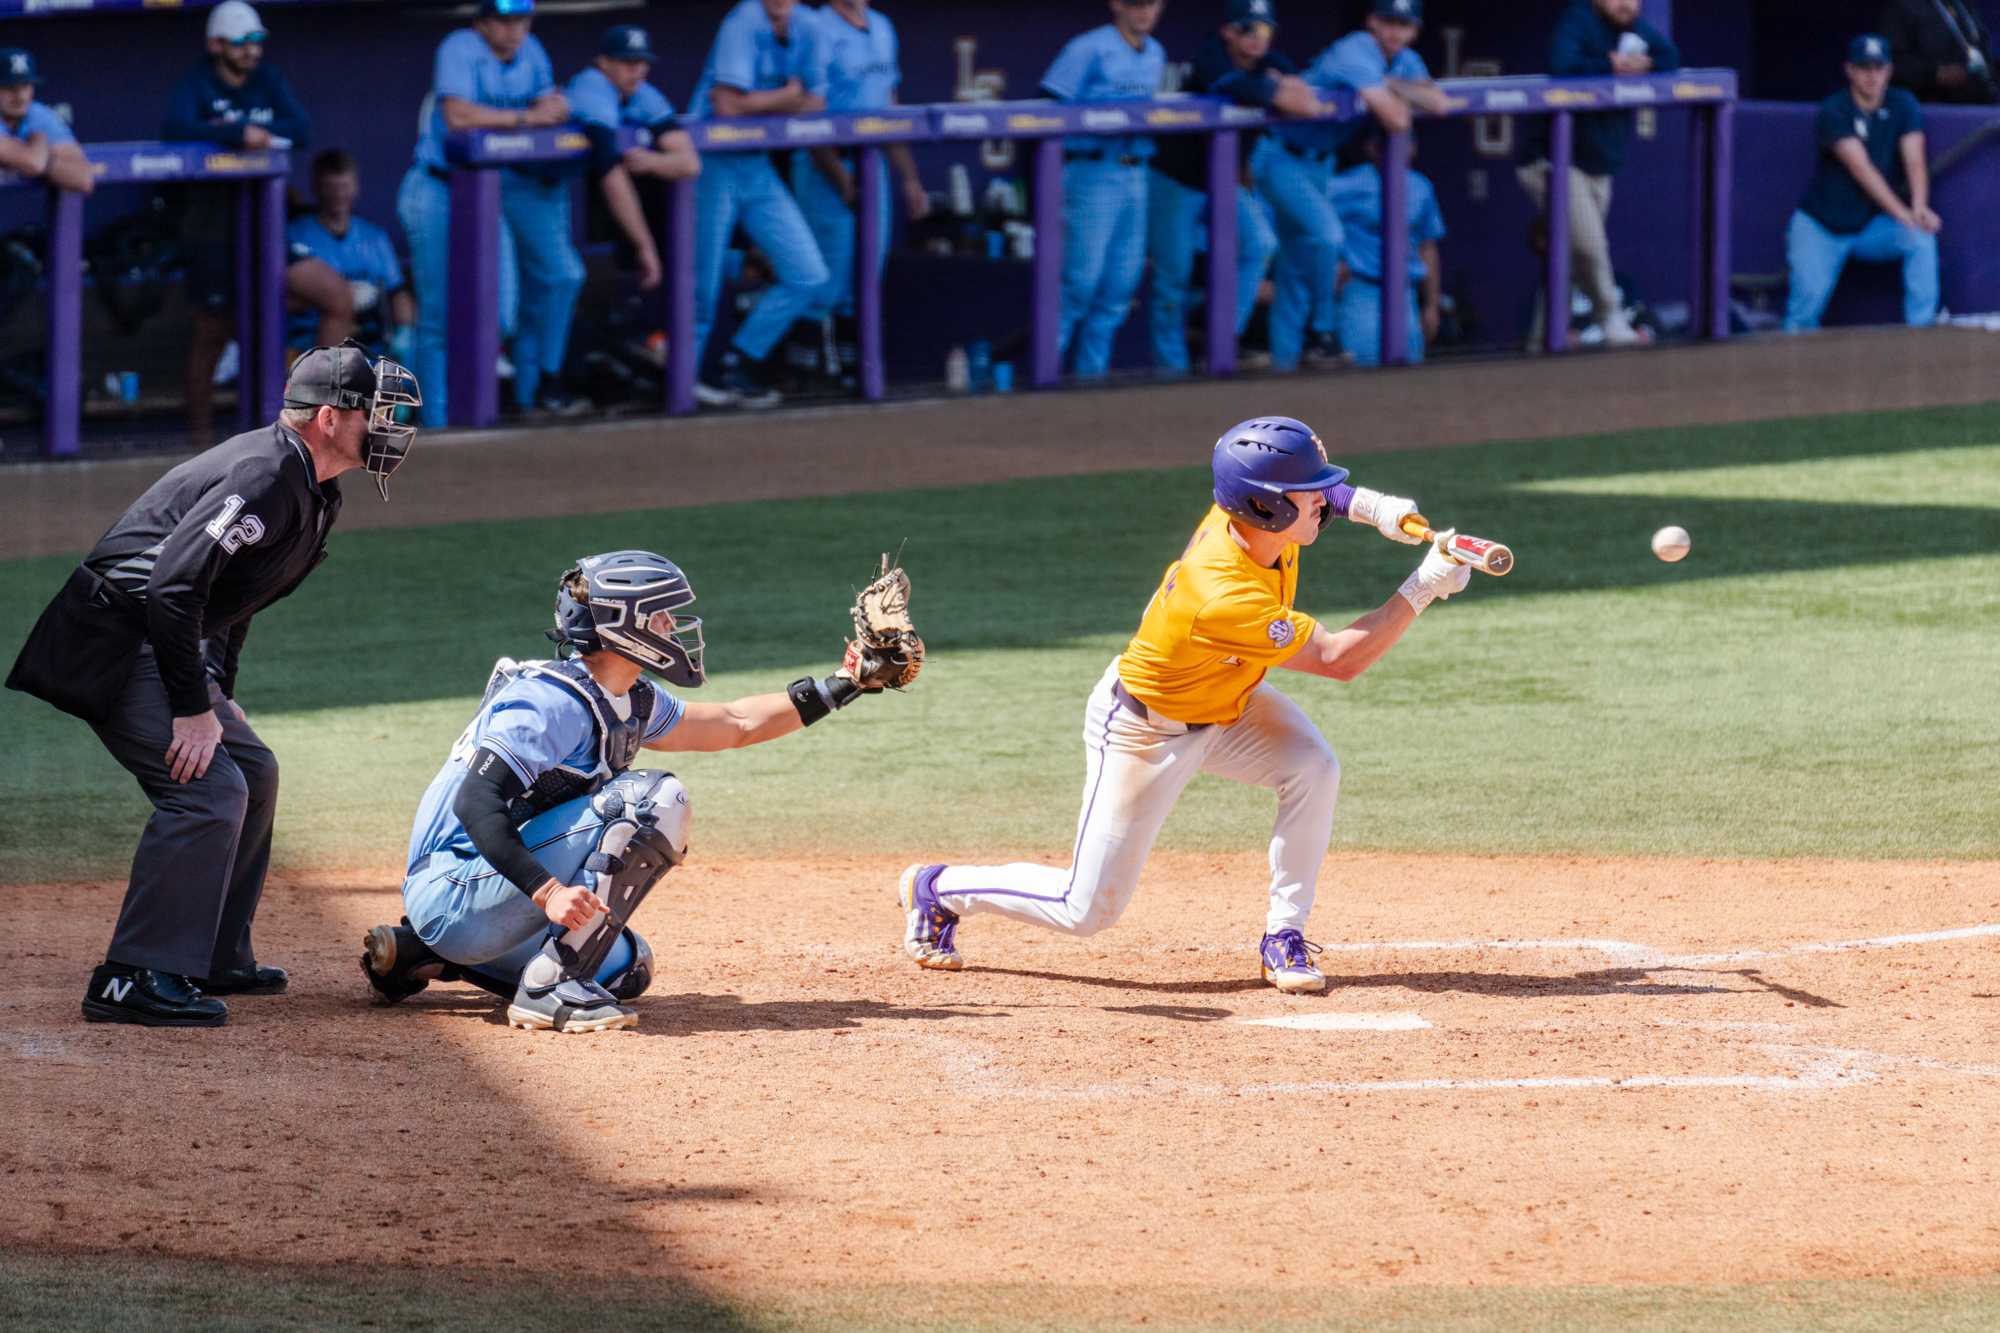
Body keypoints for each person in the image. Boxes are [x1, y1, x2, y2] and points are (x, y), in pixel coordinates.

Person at [897, 417, 1476, 994]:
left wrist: (1375, 508)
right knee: (1086, 909)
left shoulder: (1250, 515)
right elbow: (1338, 659)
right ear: (1269, 507)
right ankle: (939, 889)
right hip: (1146, 731)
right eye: (1309, 492)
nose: (1323, 501)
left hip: (1229, 698)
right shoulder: (1222, 594)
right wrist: (1423, 586)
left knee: (1313, 767)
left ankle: (1285, 934)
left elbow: (1324, 493)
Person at [5, 343, 421, 1028]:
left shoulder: (316, 489)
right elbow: (173, 584)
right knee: (207, 789)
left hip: (159, 636)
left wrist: (217, 690)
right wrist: (193, 707)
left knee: (253, 770)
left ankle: (213, 953)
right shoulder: (264, 475)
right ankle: (131, 974)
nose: (389, 424)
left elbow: (232, 596)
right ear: (327, 417)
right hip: (112, 639)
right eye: (374, 410)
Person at [359, 550, 917, 1032]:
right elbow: (475, 801)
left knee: (626, 968)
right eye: (663, 615)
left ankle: (424, 955)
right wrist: (549, 892)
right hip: (454, 887)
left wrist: (848, 684)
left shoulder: (628, 699)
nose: (675, 626)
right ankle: (549, 987)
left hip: (480, 904)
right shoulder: (549, 703)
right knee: (651, 801)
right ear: (624, 626)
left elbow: (734, 723)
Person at [162, 1, 348, 449]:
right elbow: (174, 129)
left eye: (256, 41)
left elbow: (299, 128)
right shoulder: (198, 84)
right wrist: (236, 134)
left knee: (336, 297)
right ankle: (199, 444)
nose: (251, 51)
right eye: (242, 43)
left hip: (264, 227)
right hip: (212, 228)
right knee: (211, 334)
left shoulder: (267, 81)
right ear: (217, 45)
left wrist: (245, 130)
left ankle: (315, 426)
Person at [397, 0, 585, 427]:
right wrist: (526, 116)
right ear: (482, 22)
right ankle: (436, 423)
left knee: (499, 311)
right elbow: (458, 115)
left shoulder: (532, 51)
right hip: (436, 187)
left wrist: (545, 112)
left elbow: (552, 109)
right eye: (503, 19)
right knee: (439, 314)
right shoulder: (459, 47)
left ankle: (473, 408)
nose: (514, 28)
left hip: (486, 192)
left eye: (521, 18)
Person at [1254, 0, 1441, 372]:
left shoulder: (1403, 61)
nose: (1395, 32)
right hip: (1281, 154)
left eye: (1404, 25)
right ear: (1372, 21)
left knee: (1292, 270)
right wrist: (1397, 91)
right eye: (1388, 22)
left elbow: (1438, 102)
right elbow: (1397, 119)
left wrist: (1389, 83)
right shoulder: (1355, 48)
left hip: (1320, 163)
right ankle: (1323, 333)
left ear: (1414, 30)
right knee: (1328, 236)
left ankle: (1283, 366)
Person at [1144, 0, 1306, 376]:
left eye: (1263, 30)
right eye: (1247, 29)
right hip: (1175, 181)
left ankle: (1221, 339)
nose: (1256, 38)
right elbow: (1236, 85)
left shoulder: (1273, 63)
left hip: (1220, 183)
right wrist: (1273, 89)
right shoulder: (1210, 56)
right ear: (1228, 32)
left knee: (1261, 243)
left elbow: (1303, 95)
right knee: (1173, 277)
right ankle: (1171, 373)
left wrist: (1278, 86)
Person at [686, 0, 831, 410]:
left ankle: (740, 361)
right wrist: (788, 95)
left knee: (808, 275)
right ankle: (684, 384)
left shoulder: (811, 26)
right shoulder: (742, 22)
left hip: (757, 166)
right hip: (710, 161)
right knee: (702, 288)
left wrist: (760, 102)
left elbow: (816, 102)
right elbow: (726, 107)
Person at [1516, 0, 1679, 349]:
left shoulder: (1632, 29)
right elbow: (1560, 64)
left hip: (1599, 164)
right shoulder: (1579, 20)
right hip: (1552, 159)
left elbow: (1670, 57)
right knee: (1590, 248)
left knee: (1571, 259)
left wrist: (1642, 64)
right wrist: (1609, 64)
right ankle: (1611, 319)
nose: (1625, 4)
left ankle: (1542, 338)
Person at [790, 0, 929, 387]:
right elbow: (807, 110)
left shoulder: (883, 26)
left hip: (874, 162)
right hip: (826, 163)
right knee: (824, 279)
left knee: (866, 274)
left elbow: (890, 104)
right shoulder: (816, 28)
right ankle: (807, 375)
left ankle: (855, 372)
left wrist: (910, 178)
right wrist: (839, 178)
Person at [1041, 0, 1167, 380]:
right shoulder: (1088, 48)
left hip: (1136, 173)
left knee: (1120, 287)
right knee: (1080, 282)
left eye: (1151, 4)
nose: (1144, 13)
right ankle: (1044, 376)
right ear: (1117, 5)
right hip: (1092, 171)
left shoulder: (1156, 53)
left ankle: (1090, 380)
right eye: (1136, 4)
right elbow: (1047, 108)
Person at [1784, 34, 1941, 333]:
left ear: (1889, 71)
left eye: (1878, 67)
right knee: (1803, 314)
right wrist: (1902, 213)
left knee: (1920, 237)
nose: (1871, 75)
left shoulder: (1902, 103)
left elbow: (1915, 160)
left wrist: (1919, 208)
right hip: (1822, 226)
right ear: (1850, 70)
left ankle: (1922, 333)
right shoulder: (1834, 109)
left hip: (1871, 228)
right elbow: (1862, 169)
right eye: (1864, 67)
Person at [566, 25, 701, 296]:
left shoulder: (642, 92)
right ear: (603, 62)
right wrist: (644, 246)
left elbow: (690, 163)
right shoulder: (591, 87)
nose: (638, 70)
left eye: (642, 63)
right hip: (536, 187)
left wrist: (652, 162)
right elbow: (609, 170)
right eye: (628, 62)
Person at [287, 149, 415, 364]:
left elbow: (396, 291)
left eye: (344, 186)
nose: (338, 195)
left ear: (356, 187)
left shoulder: (374, 237)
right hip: (308, 344)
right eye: (330, 187)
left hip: (368, 343)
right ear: (316, 187)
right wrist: (336, 296)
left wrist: (405, 332)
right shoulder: (295, 234)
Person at [1329, 130, 1444, 366]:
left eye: (1407, 143)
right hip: (1362, 289)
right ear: (1371, 148)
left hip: (1406, 292)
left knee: (1409, 371)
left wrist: (1431, 304)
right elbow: (1315, 229)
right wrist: (1334, 263)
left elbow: (1427, 247)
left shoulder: (1420, 187)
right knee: (1362, 369)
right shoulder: (1345, 185)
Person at [0, 49, 94, 198]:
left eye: (25, 86)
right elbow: (33, 163)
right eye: (10, 88)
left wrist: (43, 158)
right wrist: (40, 142)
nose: (21, 97)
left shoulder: (37, 114)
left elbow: (83, 179)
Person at [1880, 0, 1997, 104]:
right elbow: (1894, 62)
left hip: (1978, 100)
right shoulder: (1902, 5)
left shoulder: (1963, 4)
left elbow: (1980, 43)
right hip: (1932, 107)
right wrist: (1936, 73)